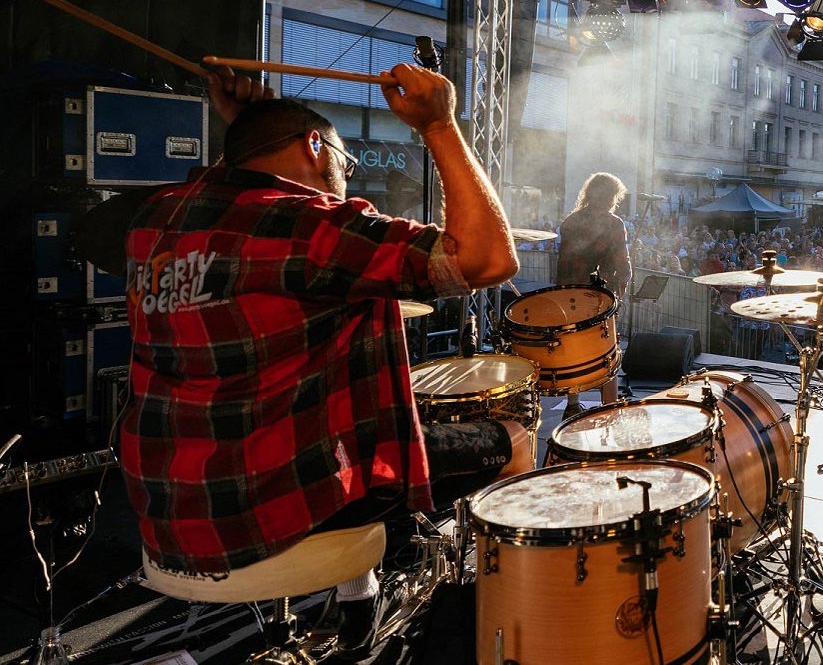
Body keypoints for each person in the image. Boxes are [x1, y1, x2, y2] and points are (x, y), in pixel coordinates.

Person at [121, 65, 526, 655]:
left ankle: (359, 596)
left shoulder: (154, 221)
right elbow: (491, 259)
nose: (343, 175)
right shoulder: (315, 227)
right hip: (273, 504)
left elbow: (226, 202)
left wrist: (248, 127)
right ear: (315, 145)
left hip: (168, 509)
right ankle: (494, 631)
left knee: (337, 418)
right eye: (344, 159)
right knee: (512, 434)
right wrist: (439, 125)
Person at [556, 171, 633, 416]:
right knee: (607, 350)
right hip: (600, 297)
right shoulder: (613, 224)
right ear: (611, 196)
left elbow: (564, 262)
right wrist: (622, 289)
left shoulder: (570, 222)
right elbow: (622, 265)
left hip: (568, 295)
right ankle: (608, 406)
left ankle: (572, 404)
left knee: (573, 349)